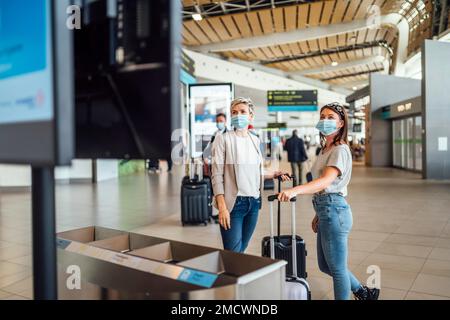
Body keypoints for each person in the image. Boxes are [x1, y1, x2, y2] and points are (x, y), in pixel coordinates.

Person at [277, 102, 380, 300]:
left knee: (338, 269)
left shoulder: (340, 150)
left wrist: (295, 191)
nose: (325, 120)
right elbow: (325, 188)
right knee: (326, 266)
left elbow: (326, 182)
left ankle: (362, 293)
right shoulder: (326, 149)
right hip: (326, 210)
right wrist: (318, 213)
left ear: (341, 123)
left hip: (335, 212)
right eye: (322, 116)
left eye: (330, 117)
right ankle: (363, 292)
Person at [211, 98, 290, 253]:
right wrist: (222, 207)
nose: (238, 115)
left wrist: (274, 173)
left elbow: (255, 170)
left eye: (242, 112)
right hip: (233, 205)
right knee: (233, 253)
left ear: (251, 116)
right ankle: (231, 276)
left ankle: (235, 276)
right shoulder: (223, 139)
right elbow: (217, 174)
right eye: (234, 112)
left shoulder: (255, 139)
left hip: (253, 203)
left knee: (242, 249)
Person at [203, 113, 228, 223]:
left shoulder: (229, 134)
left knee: (224, 190)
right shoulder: (215, 134)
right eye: (217, 121)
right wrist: (205, 157)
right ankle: (218, 212)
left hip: (224, 167)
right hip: (214, 166)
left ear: (225, 121)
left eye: (221, 120)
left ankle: (224, 211)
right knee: (215, 190)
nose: (219, 123)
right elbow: (209, 149)